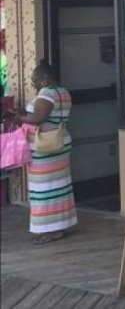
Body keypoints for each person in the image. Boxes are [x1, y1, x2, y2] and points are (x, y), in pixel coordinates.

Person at [12, 61, 77, 244]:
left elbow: (39, 118)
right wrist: (24, 114)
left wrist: (19, 118)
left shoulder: (47, 93)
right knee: (59, 187)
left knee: (44, 190)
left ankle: (50, 230)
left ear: (45, 79)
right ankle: (60, 224)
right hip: (59, 143)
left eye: (36, 81)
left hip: (45, 148)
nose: (35, 85)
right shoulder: (63, 92)